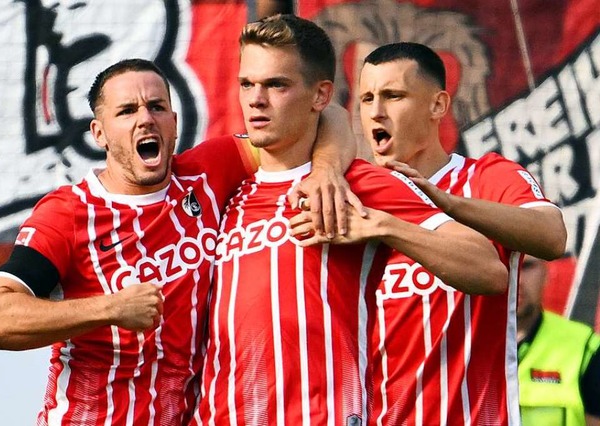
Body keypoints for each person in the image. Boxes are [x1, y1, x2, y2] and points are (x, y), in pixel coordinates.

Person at [0, 58, 360, 425]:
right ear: (99, 133)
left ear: (174, 121)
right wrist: (110, 308)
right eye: (126, 111)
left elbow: (326, 115)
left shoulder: (209, 172)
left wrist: (326, 171)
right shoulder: (69, 213)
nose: (145, 120)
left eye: (156, 107)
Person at [191, 15, 507, 425]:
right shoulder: (224, 186)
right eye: (247, 84)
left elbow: (488, 268)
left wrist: (382, 226)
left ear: (321, 94)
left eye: (277, 85)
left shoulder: (358, 184)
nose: (256, 99)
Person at [353, 42, 566, 425]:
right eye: (366, 98)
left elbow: (552, 237)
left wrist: (449, 204)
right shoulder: (353, 196)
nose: (376, 112)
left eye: (393, 95)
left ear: (438, 105)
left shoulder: (485, 177)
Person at [517, 255, 600, 426]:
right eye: (504, 266)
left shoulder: (585, 348)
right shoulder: (457, 343)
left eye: (527, 267)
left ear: (546, 273)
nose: (516, 279)